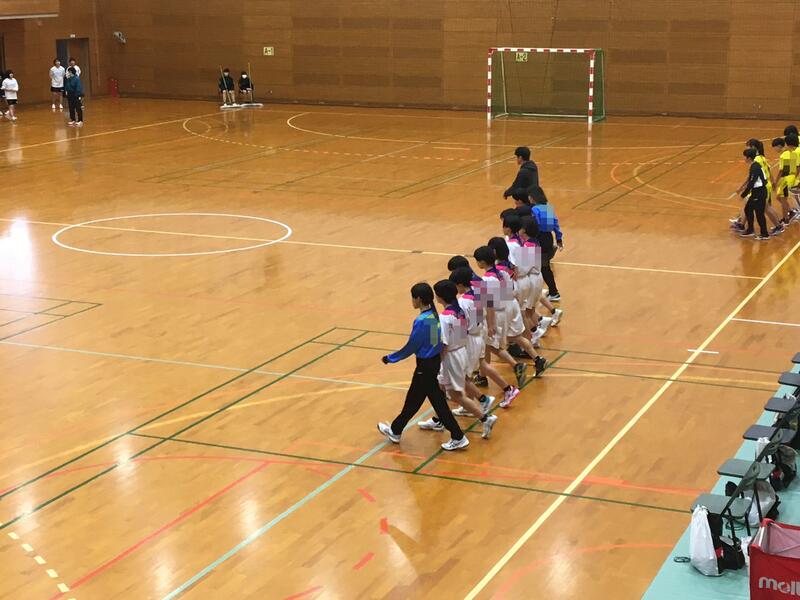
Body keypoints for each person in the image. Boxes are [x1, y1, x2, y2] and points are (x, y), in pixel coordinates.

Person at [377, 283, 469, 451]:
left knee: (419, 402)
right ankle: (396, 430)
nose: (412, 301)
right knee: (428, 401)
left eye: (413, 298)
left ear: (418, 299)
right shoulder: (434, 316)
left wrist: (391, 358)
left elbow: (412, 346)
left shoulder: (421, 321)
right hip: (433, 363)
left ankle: (458, 436)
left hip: (425, 367)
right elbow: (435, 343)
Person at [429, 280, 497, 439]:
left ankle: (485, 418)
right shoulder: (459, 311)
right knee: (441, 387)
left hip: (451, 356)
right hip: (461, 351)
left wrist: (436, 360)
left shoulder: (444, 318)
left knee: (456, 395)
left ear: (439, 297)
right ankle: (438, 419)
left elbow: (441, 343)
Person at [529, 186, 563, 302]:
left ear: (533, 197)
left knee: (543, 267)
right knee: (545, 266)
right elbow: (555, 225)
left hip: (539, 239)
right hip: (548, 238)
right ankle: (552, 291)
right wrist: (559, 239)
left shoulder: (535, 210)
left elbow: (536, 226)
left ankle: (554, 292)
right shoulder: (548, 208)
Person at [739, 147, 769, 240]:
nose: (744, 159)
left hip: (759, 192)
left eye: (745, 157)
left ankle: (765, 234)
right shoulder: (755, 165)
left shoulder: (755, 167)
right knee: (748, 209)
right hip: (758, 192)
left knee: (759, 213)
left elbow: (752, 182)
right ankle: (750, 229)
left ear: (749, 158)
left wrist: (743, 194)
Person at [770, 137, 797, 224]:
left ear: (779, 146)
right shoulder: (791, 153)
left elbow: (782, 171)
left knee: (782, 198)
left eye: (774, 147)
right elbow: (793, 167)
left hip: (786, 179)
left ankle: (786, 219)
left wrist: (776, 182)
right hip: (791, 178)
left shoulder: (784, 155)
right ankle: (791, 212)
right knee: (779, 197)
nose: (774, 150)